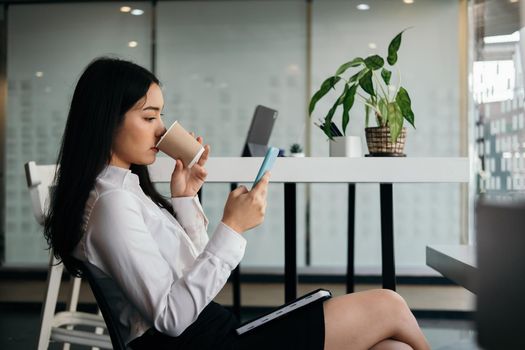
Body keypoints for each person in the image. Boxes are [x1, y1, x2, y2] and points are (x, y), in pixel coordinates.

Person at [44, 57, 430, 350]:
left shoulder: (123, 193)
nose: (163, 129)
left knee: (393, 347)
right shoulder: (111, 204)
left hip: (215, 333)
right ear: (106, 120)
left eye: (161, 115)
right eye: (149, 116)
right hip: (206, 343)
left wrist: (184, 198)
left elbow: (190, 279)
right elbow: (173, 317)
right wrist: (233, 228)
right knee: (389, 305)